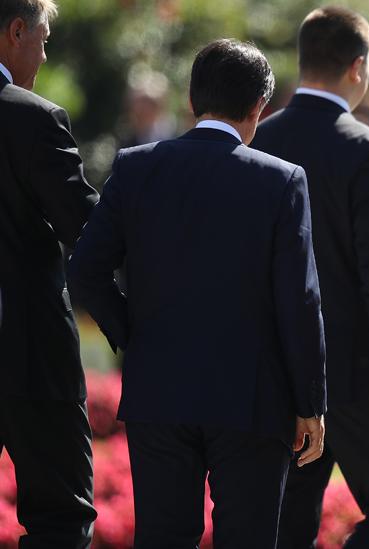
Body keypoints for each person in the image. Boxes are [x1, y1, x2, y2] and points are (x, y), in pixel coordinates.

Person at [67, 39, 327, 548]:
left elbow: (85, 270)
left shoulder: (137, 168)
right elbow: (300, 301)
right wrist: (310, 403)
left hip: (159, 391)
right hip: (253, 398)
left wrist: (132, 333)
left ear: (191, 100)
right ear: (260, 108)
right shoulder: (281, 180)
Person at [251, 7, 369, 547]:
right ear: (359, 67)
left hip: (272, 366)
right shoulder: (368, 152)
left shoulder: (256, 140)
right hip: (354, 372)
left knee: (287, 523)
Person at [0, 0, 98, 546]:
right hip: (29, 356)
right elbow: (88, 230)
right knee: (61, 519)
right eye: (42, 38)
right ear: (16, 31)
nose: (43, 50)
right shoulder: (34, 116)